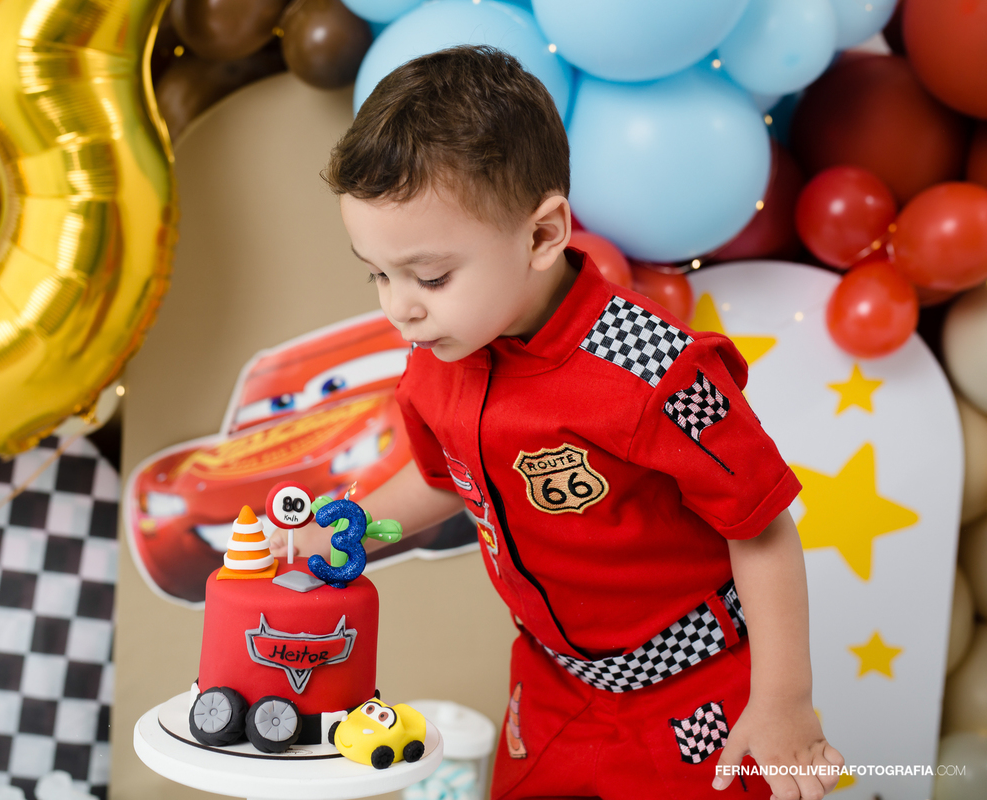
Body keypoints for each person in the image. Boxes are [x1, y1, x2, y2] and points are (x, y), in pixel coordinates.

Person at [270, 45, 843, 800]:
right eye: (377, 273)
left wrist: (782, 703)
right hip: (550, 687)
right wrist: (353, 531)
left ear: (542, 236)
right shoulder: (440, 354)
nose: (397, 307)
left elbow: (761, 527)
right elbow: (447, 481)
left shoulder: (652, 372)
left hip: (695, 698)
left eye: (431, 277)